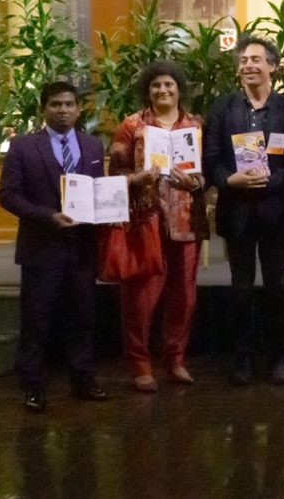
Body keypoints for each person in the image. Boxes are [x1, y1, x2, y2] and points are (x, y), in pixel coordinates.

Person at [203, 33, 284, 386]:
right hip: (236, 211)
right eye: (243, 60)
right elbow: (211, 159)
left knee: (278, 286)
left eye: (256, 60)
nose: (248, 65)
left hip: (275, 208)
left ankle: (280, 357)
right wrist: (230, 181)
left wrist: (271, 181)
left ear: (272, 67)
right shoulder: (223, 108)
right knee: (241, 289)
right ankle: (243, 359)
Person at [0, 81, 108, 411]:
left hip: (81, 247)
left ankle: (83, 379)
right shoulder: (22, 147)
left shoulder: (91, 146)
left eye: (69, 104)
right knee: (36, 319)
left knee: (83, 317)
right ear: (44, 108)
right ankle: (32, 385)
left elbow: (100, 189)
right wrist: (48, 216)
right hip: (41, 246)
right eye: (56, 105)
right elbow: (8, 195)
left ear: (78, 109)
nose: (63, 110)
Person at [108, 60, 209, 392]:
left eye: (169, 85)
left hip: (186, 221)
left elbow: (209, 174)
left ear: (179, 88)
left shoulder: (196, 125)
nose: (163, 90)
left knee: (184, 297)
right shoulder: (132, 126)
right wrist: (140, 177)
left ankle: (175, 360)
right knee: (140, 298)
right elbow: (114, 175)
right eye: (156, 86)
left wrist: (196, 183)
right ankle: (139, 364)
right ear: (147, 91)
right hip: (145, 221)